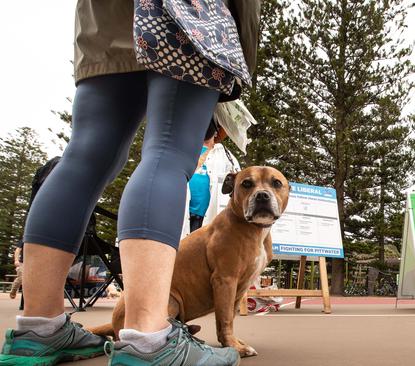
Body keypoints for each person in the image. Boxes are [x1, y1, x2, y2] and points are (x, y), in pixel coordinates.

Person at [0, 1, 260, 365]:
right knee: (168, 153)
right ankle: (148, 340)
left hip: (106, 14)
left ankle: (38, 330)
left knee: (83, 156)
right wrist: (237, 60)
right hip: (190, 13)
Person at [188, 121, 219, 232]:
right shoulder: (186, 150)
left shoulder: (223, 155)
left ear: (215, 133)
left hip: (207, 218)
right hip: (182, 214)